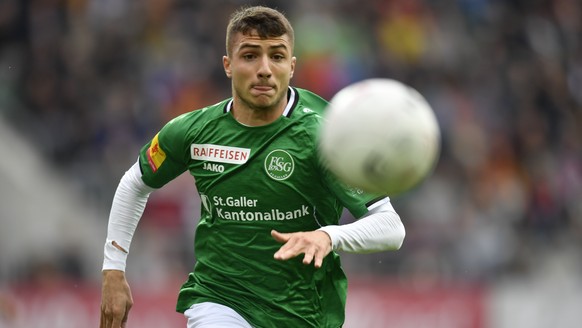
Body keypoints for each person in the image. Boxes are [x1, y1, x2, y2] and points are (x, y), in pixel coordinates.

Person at [100, 5, 405, 328]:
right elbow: (135, 183)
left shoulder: (325, 138)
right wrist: (113, 269)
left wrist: (328, 237)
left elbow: (390, 226)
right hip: (219, 300)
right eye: (250, 56)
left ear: (292, 66)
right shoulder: (192, 131)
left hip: (305, 312)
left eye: (276, 56)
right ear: (228, 65)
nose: (264, 69)